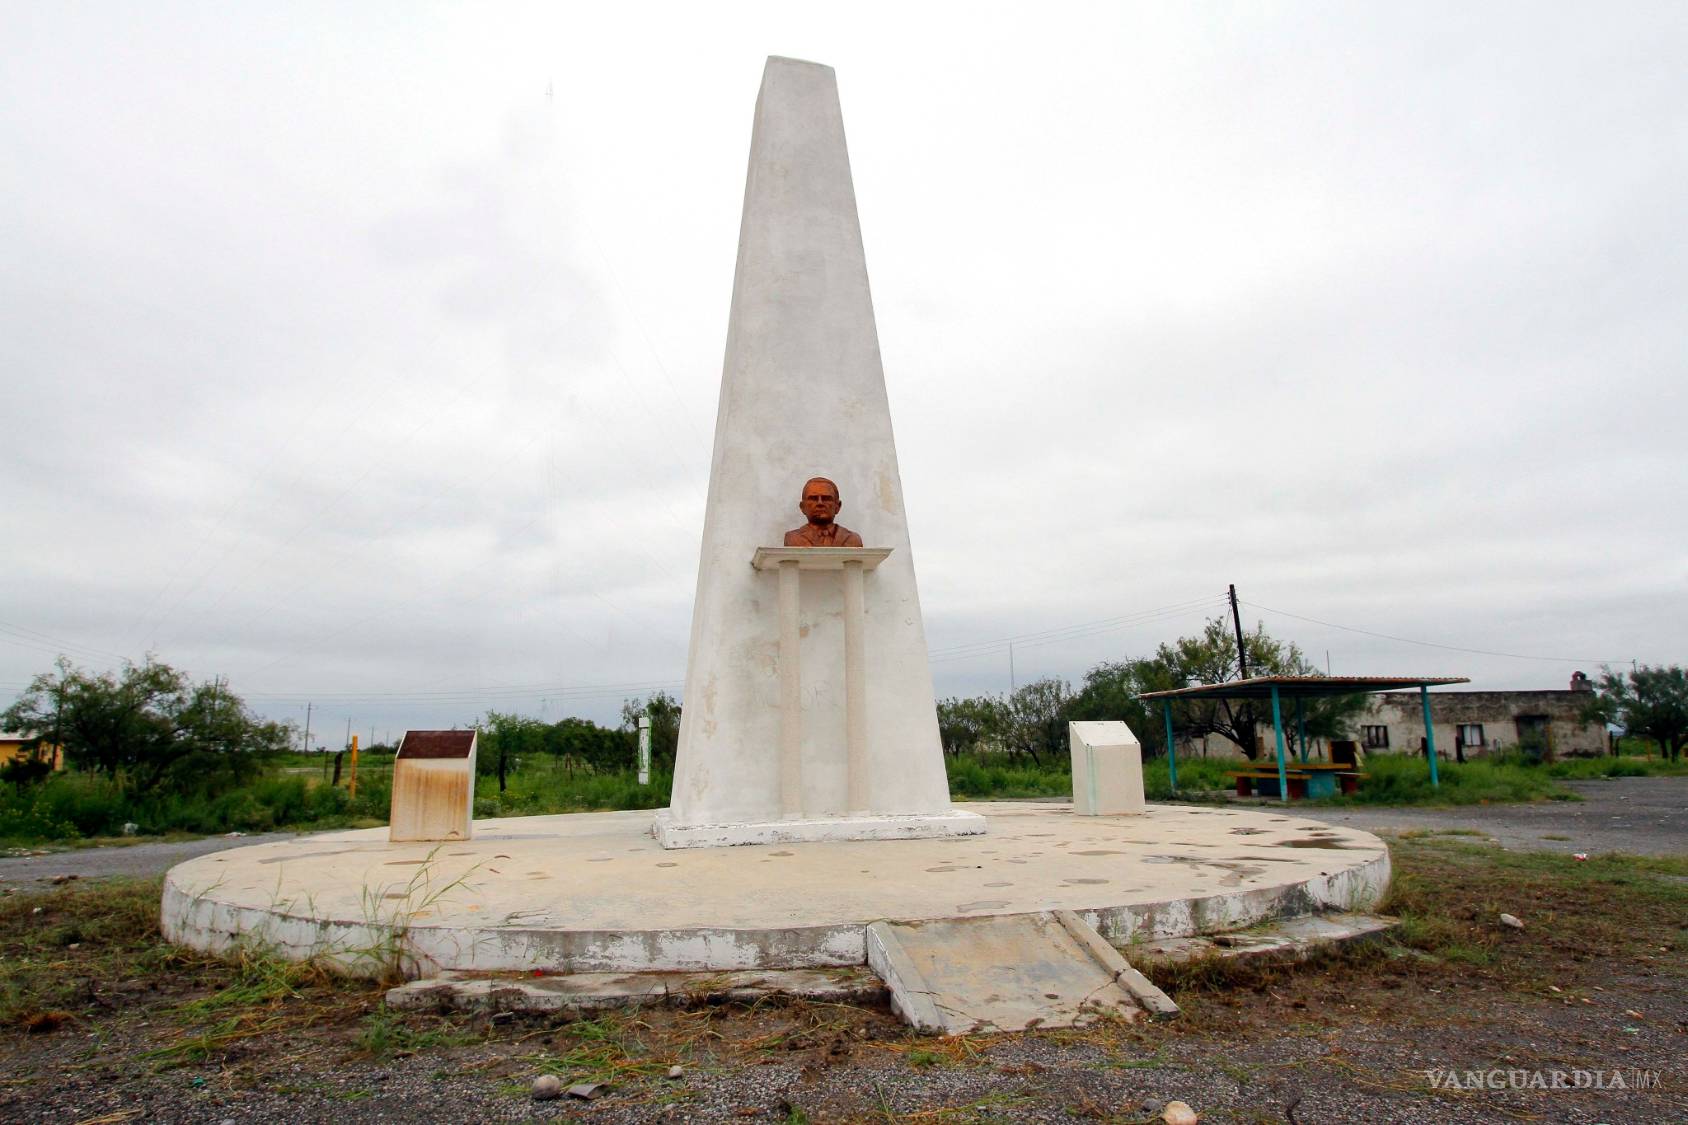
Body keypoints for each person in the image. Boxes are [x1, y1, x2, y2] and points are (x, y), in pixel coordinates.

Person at [783, 476, 864, 547]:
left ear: (838, 506)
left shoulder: (852, 539)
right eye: (813, 499)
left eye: (826, 498)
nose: (820, 503)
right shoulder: (793, 538)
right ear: (802, 507)